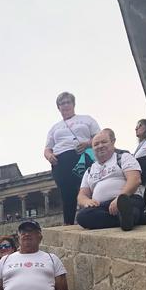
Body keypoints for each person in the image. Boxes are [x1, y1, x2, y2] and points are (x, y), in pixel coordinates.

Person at [44, 92, 101, 225]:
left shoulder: (86, 119)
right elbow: (47, 148)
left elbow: (99, 137)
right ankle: (68, 222)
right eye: (62, 103)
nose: (65, 105)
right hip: (61, 159)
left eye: (68, 102)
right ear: (58, 107)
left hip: (82, 156)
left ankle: (92, 215)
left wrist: (87, 143)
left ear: (73, 104)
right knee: (66, 192)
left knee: (86, 186)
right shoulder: (55, 128)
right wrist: (49, 156)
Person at [76, 128, 146, 231]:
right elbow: (82, 195)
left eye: (104, 142)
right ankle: (132, 219)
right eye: (96, 144)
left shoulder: (123, 158)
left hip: (127, 198)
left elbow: (134, 179)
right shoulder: (89, 170)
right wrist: (87, 201)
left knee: (129, 206)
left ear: (112, 142)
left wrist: (119, 198)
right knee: (82, 217)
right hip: (102, 206)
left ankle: (128, 215)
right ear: (92, 148)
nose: (100, 146)